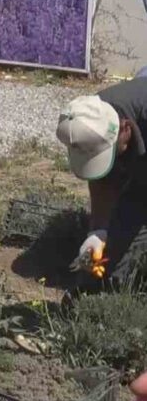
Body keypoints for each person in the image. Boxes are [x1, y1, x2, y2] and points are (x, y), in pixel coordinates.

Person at [55, 80, 147, 285]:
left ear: (125, 128)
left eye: (109, 153)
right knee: (110, 258)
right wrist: (98, 231)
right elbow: (103, 180)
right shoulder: (94, 115)